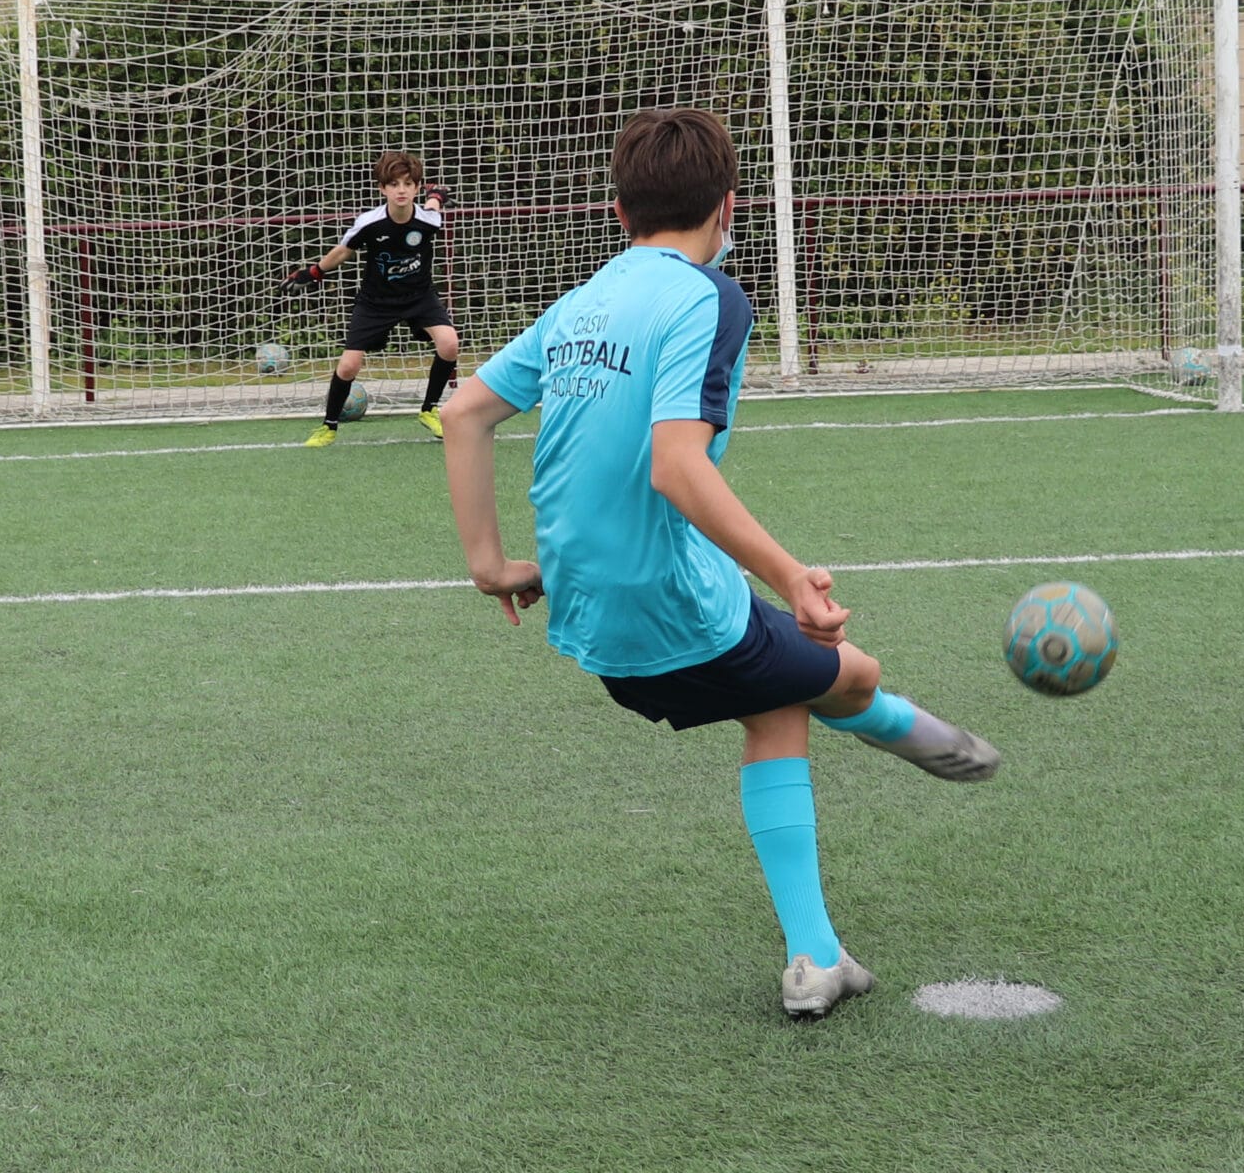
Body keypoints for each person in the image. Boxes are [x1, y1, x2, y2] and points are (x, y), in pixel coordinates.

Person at [440, 108, 1001, 1019]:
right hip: (672, 603)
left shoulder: (582, 301)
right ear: (729, 206)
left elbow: (464, 413)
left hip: (585, 612)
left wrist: (491, 565)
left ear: (619, 215)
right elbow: (675, 463)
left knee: (784, 694)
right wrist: (790, 575)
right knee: (845, 678)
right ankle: (835, 920)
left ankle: (826, 941)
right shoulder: (711, 297)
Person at [282, 152, 457, 447]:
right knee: (349, 366)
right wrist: (312, 273)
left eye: (408, 183)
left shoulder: (429, 221)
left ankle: (429, 410)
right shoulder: (369, 223)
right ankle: (329, 426)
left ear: (416, 187)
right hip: (375, 302)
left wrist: (436, 195)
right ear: (382, 189)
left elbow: (432, 207)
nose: (401, 190)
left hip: (419, 297)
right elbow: (344, 250)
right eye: (393, 184)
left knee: (449, 343)